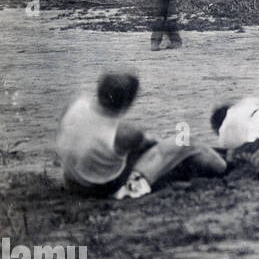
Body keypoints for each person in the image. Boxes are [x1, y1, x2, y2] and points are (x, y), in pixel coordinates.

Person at [57, 71, 226, 199]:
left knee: (128, 152)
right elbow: (152, 145)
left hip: (73, 181)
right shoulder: (125, 133)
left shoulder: (77, 104)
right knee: (185, 143)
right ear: (128, 102)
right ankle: (225, 168)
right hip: (104, 189)